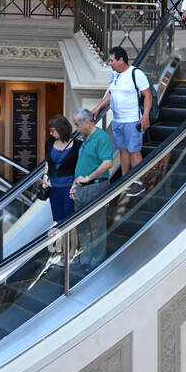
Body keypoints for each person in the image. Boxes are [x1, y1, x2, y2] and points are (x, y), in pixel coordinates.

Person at [91, 47, 151, 179]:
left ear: (121, 60)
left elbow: (147, 95)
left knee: (134, 151)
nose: (109, 63)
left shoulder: (136, 73)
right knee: (122, 150)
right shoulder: (115, 75)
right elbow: (110, 93)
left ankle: (139, 182)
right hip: (117, 121)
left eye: (111, 60)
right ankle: (124, 179)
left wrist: (145, 116)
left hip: (132, 121)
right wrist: (99, 107)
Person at [69, 108, 114, 271]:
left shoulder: (101, 137)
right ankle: (85, 259)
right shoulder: (85, 139)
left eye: (78, 124)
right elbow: (83, 164)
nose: (77, 128)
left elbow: (108, 163)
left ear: (87, 121)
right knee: (82, 226)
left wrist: (88, 177)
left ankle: (96, 261)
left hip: (95, 186)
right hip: (81, 188)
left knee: (96, 226)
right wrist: (75, 185)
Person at [41, 114, 79, 229]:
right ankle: (63, 240)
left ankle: (73, 241)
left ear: (61, 129)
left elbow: (81, 167)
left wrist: (76, 184)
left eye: (53, 131)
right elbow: (48, 162)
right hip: (54, 188)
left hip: (69, 187)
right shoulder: (49, 142)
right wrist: (45, 175)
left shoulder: (77, 145)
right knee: (58, 220)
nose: (50, 133)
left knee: (71, 220)